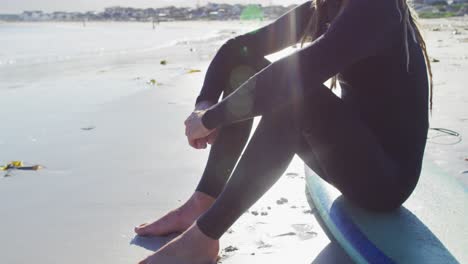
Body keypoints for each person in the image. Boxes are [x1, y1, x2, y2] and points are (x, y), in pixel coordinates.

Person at [136, 0, 433, 263]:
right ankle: (203, 201)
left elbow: (300, 71)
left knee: (294, 93)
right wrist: (204, 105)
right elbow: (235, 51)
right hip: (349, 159)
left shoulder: (376, 7)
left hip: (385, 182)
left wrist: (213, 119)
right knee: (247, 65)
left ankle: (204, 239)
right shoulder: (326, 6)